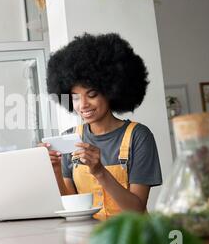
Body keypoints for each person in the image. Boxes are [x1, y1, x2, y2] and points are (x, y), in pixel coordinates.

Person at [42, 33, 162, 220]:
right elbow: (71, 208)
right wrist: (55, 171)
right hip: (88, 242)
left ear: (111, 90)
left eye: (92, 94)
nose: (83, 105)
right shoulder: (69, 139)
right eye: (75, 97)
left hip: (131, 240)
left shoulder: (138, 136)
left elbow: (137, 210)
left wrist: (99, 171)